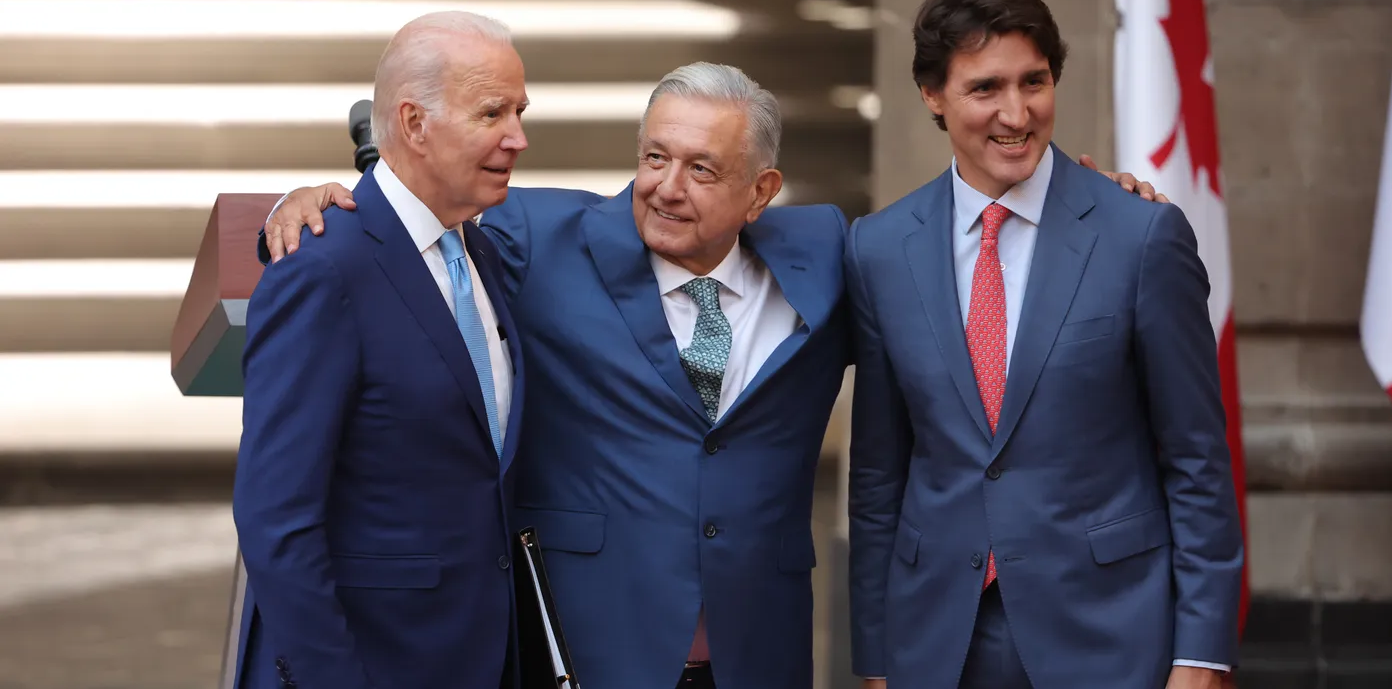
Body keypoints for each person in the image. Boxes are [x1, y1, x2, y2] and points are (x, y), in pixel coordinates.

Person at [261, 63, 1162, 688]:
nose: (665, 186)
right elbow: (413, 214)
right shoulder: (539, 240)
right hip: (590, 643)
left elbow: (958, 273)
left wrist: (1089, 209)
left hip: (756, 649)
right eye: (654, 156)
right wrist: (303, 203)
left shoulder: (828, 256)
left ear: (761, 191)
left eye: (701, 169)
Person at [844, 0, 1244, 689]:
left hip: (1110, 633)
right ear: (933, 95)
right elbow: (879, 475)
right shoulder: (877, 249)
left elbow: (1198, 463)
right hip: (937, 640)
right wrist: (873, 658)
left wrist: (1202, 652)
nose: (1016, 114)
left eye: (1033, 82)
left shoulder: (1140, 237)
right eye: (985, 88)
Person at [231, 11, 528, 689]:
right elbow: (276, 521)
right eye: (493, 113)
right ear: (414, 123)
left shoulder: (481, 247)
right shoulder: (322, 269)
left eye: (519, 110)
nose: (519, 137)